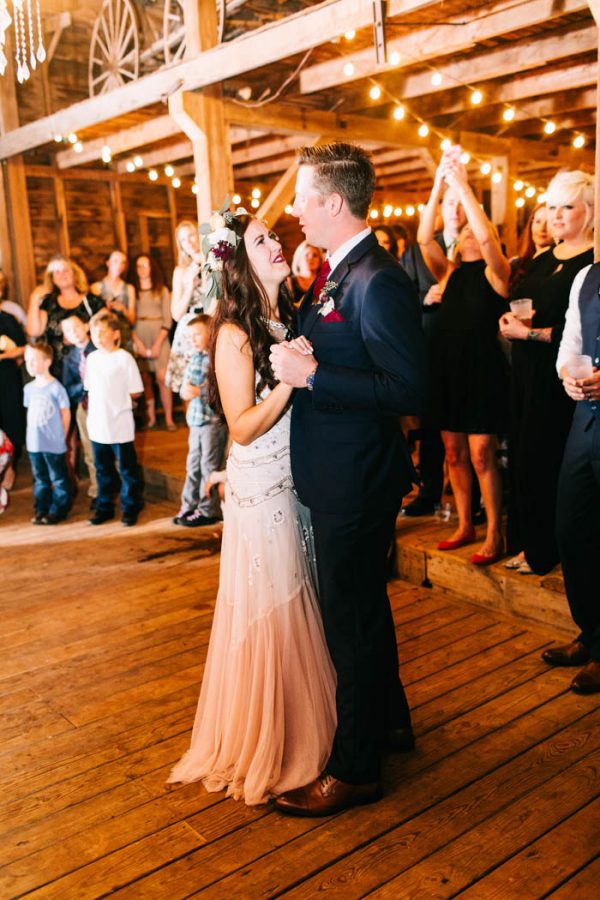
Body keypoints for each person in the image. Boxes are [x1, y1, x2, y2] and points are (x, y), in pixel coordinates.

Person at [270, 142, 427, 816]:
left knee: (351, 621)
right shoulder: (340, 270)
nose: (295, 209)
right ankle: (389, 722)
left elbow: (408, 386)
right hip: (339, 470)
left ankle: (354, 767)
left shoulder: (376, 278)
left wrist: (312, 376)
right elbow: (349, 345)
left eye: (303, 197)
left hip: (356, 478)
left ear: (333, 202)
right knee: (365, 606)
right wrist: (312, 345)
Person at [167, 209, 336, 806]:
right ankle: (279, 741)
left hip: (293, 479)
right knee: (274, 605)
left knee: (301, 596)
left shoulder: (278, 314)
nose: (277, 245)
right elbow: (239, 428)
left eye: (273, 236)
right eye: (263, 240)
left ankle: (309, 726)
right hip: (261, 485)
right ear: (237, 260)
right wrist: (293, 380)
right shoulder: (234, 332)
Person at [418, 147, 510, 566]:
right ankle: (463, 525)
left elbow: (488, 238)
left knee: (481, 455)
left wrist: (466, 189)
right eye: (466, 229)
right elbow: (424, 237)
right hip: (448, 374)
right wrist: (439, 184)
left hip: (482, 374)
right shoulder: (448, 273)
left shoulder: (496, 273)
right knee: (453, 453)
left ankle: (495, 533)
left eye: (477, 228)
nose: (471, 233)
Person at [500, 170, 594, 575]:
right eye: (552, 207)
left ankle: (546, 550)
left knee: (547, 461)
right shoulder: (542, 258)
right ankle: (529, 543)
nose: (556, 215)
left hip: (563, 381)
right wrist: (510, 324)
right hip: (525, 375)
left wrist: (531, 333)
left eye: (567, 207)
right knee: (522, 459)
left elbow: (585, 331)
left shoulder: (592, 263)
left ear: (589, 212)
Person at [542, 260, 600, 693]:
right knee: (572, 527)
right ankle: (592, 633)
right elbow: (571, 343)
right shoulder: (586, 276)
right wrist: (567, 377)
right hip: (585, 421)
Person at [401, 181, 468, 517]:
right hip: (431, 346)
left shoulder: (478, 248)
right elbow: (398, 301)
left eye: (460, 204)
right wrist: (423, 299)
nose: (454, 210)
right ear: (439, 211)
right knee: (431, 427)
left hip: (470, 351)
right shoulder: (417, 251)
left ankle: (476, 501)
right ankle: (428, 490)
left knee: (470, 430)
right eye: (448, 204)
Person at [85, 310, 144, 527]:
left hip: (120, 424)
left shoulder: (124, 358)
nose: (97, 337)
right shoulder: (91, 359)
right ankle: (104, 506)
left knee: (127, 468)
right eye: (93, 333)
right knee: (102, 469)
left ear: (116, 334)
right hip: (98, 425)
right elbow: (90, 388)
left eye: (102, 332)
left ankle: (130, 506)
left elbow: (135, 390)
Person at [173, 314, 227, 528]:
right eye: (190, 336)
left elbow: (221, 388)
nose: (192, 339)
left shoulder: (216, 359)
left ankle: (208, 510)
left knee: (209, 465)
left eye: (197, 335)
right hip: (196, 420)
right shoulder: (194, 357)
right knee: (192, 464)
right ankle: (188, 505)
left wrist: (200, 391)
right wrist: (185, 391)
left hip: (212, 422)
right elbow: (187, 385)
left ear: (210, 333)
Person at [25, 255, 104, 380]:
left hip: (88, 367)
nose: (62, 274)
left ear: (75, 273)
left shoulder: (91, 300)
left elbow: (108, 325)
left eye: (66, 270)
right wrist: (34, 299)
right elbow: (34, 331)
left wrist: (82, 332)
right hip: (55, 370)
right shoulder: (49, 302)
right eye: (57, 272)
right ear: (52, 278)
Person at [23, 342, 71, 525]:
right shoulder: (28, 389)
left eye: (34, 360)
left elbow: (65, 413)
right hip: (35, 443)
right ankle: (41, 509)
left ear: (48, 361)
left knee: (58, 478)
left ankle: (58, 510)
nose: (30, 364)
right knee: (40, 478)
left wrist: (63, 436)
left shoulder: (56, 388)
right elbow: (31, 413)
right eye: (28, 360)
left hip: (53, 443)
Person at [131, 254, 176, 431]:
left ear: (152, 268)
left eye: (146, 265)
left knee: (162, 377)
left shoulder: (161, 289)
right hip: (139, 336)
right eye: (139, 266)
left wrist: (158, 344)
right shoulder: (132, 290)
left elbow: (168, 320)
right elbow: (129, 321)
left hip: (159, 336)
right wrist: (138, 344)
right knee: (145, 379)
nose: (143, 269)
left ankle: (169, 418)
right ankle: (151, 418)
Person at [166, 220, 210, 393]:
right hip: (189, 327)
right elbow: (176, 314)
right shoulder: (181, 271)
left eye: (191, 235)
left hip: (210, 323)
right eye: (183, 240)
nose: (189, 242)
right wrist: (190, 286)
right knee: (187, 382)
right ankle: (190, 419)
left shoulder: (214, 262)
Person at [61, 315, 97, 505]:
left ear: (86, 326)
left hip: (104, 407)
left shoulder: (98, 349)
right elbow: (68, 387)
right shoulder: (70, 358)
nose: (73, 332)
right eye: (68, 330)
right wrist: (85, 386)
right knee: (90, 451)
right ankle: (96, 489)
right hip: (84, 407)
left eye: (76, 327)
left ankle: (116, 486)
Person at [0, 304, 26, 498]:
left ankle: (10, 467)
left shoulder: (7, 319)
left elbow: (23, 349)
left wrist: (6, 355)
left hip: (5, 376)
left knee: (10, 419)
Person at [91, 250, 136, 352]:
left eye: (123, 262)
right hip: (104, 335)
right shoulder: (96, 287)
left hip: (123, 334)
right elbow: (93, 318)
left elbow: (132, 320)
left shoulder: (129, 288)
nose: (119, 265)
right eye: (116, 261)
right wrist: (105, 308)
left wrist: (123, 309)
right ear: (108, 263)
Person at [509, 203, 553, 293]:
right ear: (531, 225)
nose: (542, 228)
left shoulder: (562, 267)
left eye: (548, 223)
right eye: (538, 222)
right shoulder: (516, 264)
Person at [288, 240, 323, 305]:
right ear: (298, 259)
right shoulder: (289, 281)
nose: (311, 258)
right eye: (306, 255)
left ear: (320, 261)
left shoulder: (324, 282)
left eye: (315, 255)